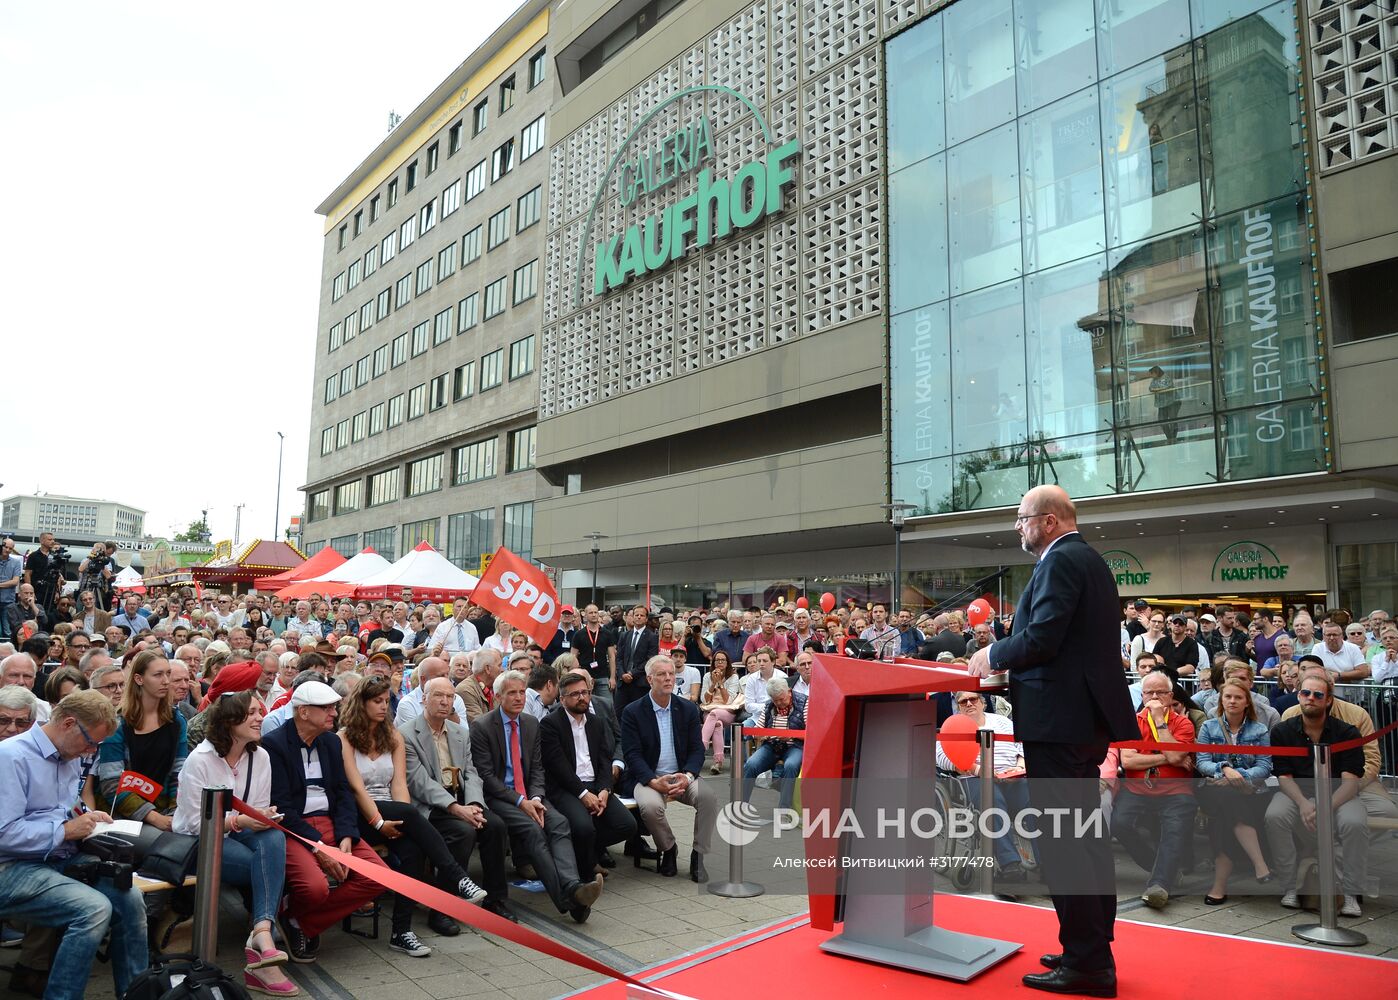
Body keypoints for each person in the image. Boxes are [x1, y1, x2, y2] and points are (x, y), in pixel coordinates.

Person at [968, 485, 1137, 997]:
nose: (1016, 527)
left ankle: (1088, 963)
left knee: (1064, 842)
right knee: (1083, 838)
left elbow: (1044, 638)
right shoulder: (1084, 558)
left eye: (1020, 519)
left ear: (1047, 520)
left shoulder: (1063, 561)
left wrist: (993, 656)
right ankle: (1087, 946)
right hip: (1077, 723)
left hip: (1060, 725)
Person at [0, 689, 148, 1000]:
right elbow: (4, 834)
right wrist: (66, 830)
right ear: (68, 723)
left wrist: (84, 814)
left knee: (130, 899)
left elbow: (63, 808)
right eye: (90, 742)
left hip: (56, 858)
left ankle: (135, 995)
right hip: (11, 866)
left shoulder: (67, 752)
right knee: (92, 909)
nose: (90, 751)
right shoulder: (10, 756)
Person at [339, 675, 488, 955]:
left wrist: (402, 823)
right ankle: (457, 876)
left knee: (413, 852)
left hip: (394, 812)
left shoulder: (392, 735)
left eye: (386, 701)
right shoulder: (344, 737)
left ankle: (401, 932)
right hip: (361, 814)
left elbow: (398, 785)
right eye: (376, 701)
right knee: (411, 817)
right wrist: (381, 822)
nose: (384, 706)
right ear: (361, 703)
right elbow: (356, 789)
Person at [174, 691, 299, 996]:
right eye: (252, 712)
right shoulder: (200, 759)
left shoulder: (261, 756)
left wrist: (262, 817)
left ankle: (261, 932)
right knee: (267, 864)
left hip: (238, 835)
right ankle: (262, 949)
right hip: (197, 841)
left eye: (260, 711)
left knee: (272, 836)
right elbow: (193, 823)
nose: (261, 717)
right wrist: (240, 821)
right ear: (230, 720)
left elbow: (255, 807)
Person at [264, 680, 389, 962]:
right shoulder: (274, 745)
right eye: (327, 708)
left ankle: (298, 920)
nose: (335, 713)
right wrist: (318, 846)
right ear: (304, 712)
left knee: (379, 876)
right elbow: (282, 806)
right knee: (314, 887)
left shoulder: (331, 741)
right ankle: (298, 916)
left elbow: (343, 792)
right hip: (295, 829)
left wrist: (346, 835)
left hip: (332, 824)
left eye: (334, 706)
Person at [469, 669, 605, 922]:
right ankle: (569, 898)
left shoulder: (531, 723)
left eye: (522, 692)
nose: (519, 698)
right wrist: (521, 802)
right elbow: (487, 777)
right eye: (512, 693)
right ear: (498, 697)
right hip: (500, 798)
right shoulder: (483, 727)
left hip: (532, 796)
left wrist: (537, 798)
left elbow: (538, 769)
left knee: (559, 823)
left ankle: (572, 886)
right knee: (533, 830)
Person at [400, 677, 514, 923]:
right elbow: (418, 782)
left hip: (462, 798)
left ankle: (496, 899)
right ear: (424, 699)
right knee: (463, 832)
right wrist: (455, 808)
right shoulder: (407, 734)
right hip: (430, 806)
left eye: (450, 697)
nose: (445, 701)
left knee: (495, 826)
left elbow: (472, 772)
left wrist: (473, 804)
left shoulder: (460, 732)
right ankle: (442, 908)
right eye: (438, 695)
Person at [1267, 671, 1368, 917]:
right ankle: (1290, 885)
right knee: (1274, 816)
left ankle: (1351, 891)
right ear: (1298, 696)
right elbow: (1283, 776)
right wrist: (1303, 804)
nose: (1310, 698)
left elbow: (1351, 782)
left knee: (1354, 822)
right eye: (1305, 693)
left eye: (1317, 694)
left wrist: (1325, 806)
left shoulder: (1348, 733)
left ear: (1329, 700)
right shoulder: (1282, 731)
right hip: (1296, 792)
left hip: (1338, 794)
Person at [621, 654, 717, 883]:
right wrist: (653, 781)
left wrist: (687, 776)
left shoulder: (687, 709)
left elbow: (697, 749)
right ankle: (669, 848)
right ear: (649, 679)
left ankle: (698, 854)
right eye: (662, 674)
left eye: (671, 674)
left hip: (682, 775)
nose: (668, 679)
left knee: (709, 799)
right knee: (651, 807)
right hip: (648, 777)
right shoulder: (632, 711)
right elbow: (632, 755)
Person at [539, 671, 637, 880]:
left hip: (596, 785)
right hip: (567, 788)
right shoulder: (550, 724)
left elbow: (603, 760)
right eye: (574, 694)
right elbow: (559, 767)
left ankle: (584, 852)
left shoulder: (595, 722)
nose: (581, 697)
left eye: (585, 692)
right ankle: (584, 874)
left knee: (627, 825)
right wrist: (584, 794)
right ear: (562, 699)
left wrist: (604, 789)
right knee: (584, 828)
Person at [936, 690, 1034, 881]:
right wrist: (979, 770)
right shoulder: (953, 726)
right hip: (974, 778)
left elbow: (1022, 746)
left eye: (973, 699)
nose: (969, 704)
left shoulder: (1003, 722)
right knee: (992, 799)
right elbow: (941, 757)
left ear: (982, 703)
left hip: (1012, 776)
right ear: (958, 706)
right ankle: (1010, 866)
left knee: (1036, 799)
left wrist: (1019, 767)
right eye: (963, 701)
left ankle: (1049, 864)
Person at [1195, 679, 1274, 905]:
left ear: (1247, 702)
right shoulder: (1209, 727)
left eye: (1238, 697)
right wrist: (1225, 770)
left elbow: (1265, 766)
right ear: (1221, 700)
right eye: (1228, 696)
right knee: (1227, 799)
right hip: (1213, 789)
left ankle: (1218, 887)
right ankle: (1259, 863)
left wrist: (1237, 776)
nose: (1232, 701)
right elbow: (1202, 763)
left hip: (1248, 791)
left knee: (1222, 820)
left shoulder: (1259, 730)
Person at [94, 649, 187, 830]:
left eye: (168, 674)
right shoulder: (118, 723)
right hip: (122, 815)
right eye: (158, 675)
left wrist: (174, 812)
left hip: (166, 811)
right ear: (139, 679)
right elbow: (111, 783)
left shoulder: (177, 720)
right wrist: (152, 817)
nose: (166, 681)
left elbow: (180, 773)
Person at [741, 674, 805, 812]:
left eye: (782, 699)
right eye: (776, 701)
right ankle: (741, 805)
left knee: (791, 765)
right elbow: (757, 730)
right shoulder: (768, 705)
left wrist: (791, 736)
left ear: (789, 691)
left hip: (795, 745)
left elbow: (811, 732)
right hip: (772, 745)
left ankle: (784, 810)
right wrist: (763, 735)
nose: (780, 703)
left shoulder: (804, 702)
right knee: (751, 764)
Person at [699, 650, 743, 774]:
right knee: (717, 724)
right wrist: (713, 683)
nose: (719, 662)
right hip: (710, 710)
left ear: (727, 663)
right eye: (717, 660)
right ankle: (718, 762)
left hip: (727, 712)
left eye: (722, 660)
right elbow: (704, 700)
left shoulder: (733, 677)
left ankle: (701, 745)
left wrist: (721, 683)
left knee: (714, 715)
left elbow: (728, 701)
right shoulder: (707, 676)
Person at [613, 605, 657, 713]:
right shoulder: (624, 635)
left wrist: (632, 673)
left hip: (640, 683)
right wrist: (622, 674)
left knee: (638, 713)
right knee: (618, 713)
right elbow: (618, 658)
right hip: (623, 683)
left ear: (646, 619)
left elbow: (650, 660)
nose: (638, 617)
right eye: (636, 615)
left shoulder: (652, 637)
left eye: (641, 615)